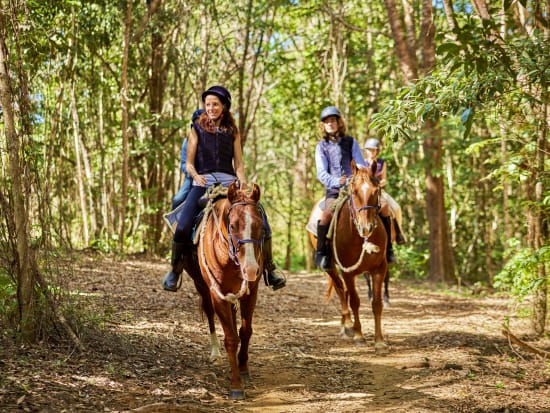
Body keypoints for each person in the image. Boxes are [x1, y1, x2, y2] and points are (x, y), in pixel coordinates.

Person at [162, 85, 286, 292]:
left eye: (215, 104)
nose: (211, 108)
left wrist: (242, 182)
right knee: (183, 225)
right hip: (203, 183)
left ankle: (270, 269)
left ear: (224, 107)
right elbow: (189, 162)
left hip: (229, 182)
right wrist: (195, 175)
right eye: (208, 104)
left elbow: (238, 163)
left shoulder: (233, 131)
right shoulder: (196, 128)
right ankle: (175, 270)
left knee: (261, 218)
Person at [314, 106, 366, 271]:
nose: (330, 123)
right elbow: (321, 173)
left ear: (338, 122)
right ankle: (322, 253)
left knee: (373, 209)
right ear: (323, 125)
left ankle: (387, 248)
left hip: (354, 187)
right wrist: (336, 181)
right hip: (335, 190)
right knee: (325, 216)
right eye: (327, 121)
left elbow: (360, 164)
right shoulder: (321, 146)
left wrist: (355, 178)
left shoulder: (351, 141)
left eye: (333, 120)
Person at [363, 138, 406, 264]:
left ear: (377, 151)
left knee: (395, 207)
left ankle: (398, 234)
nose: (371, 152)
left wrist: (377, 185)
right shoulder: (363, 163)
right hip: (366, 193)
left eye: (373, 150)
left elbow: (384, 180)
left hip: (379, 191)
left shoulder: (382, 163)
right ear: (366, 151)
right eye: (369, 150)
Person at [171, 109, 205, 210]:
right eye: (197, 122)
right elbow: (184, 163)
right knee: (177, 199)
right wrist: (194, 175)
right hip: (192, 177)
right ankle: (175, 224)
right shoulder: (187, 141)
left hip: (210, 177)